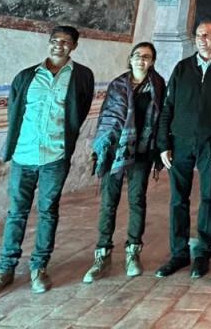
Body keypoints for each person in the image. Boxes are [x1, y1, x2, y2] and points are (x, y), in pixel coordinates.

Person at [0, 26, 95, 298]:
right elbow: (15, 111)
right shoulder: (27, 76)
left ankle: (39, 267)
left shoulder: (81, 76)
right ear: (49, 43)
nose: (58, 46)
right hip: (24, 155)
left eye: (65, 42)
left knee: (48, 211)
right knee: (16, 212)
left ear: (73, 46)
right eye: (55, 41)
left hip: (55, 155)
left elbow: (80, 109)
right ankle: (5, 270)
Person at [83, 42, 166, 282]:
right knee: (109, 201)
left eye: (147, 57)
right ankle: (102, 253)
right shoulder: (118, 85)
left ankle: (133, 251)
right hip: (115, 150)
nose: (141, 60)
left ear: (152, 61)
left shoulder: (158, 85)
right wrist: (102, 147)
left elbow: (162, 118)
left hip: (141, 150)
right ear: (130, 59)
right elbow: (107, 117)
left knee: (137, 200)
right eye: (137, 56)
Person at [156, 21, 211, 279]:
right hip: (180, 141)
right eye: (198, 36)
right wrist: (163, 143)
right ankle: (178, 253)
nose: (202, 39)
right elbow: (167, 107)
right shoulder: (182, 67)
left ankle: (203, 252)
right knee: (178, 198)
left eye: (207, 35)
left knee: (209, 197)